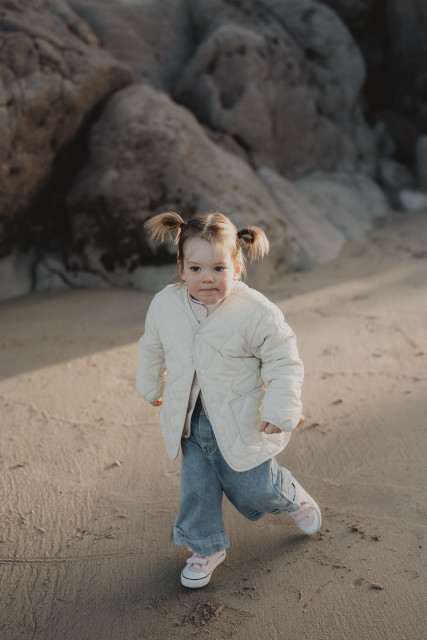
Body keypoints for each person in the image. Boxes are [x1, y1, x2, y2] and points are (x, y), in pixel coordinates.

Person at [136, 211, 321, 589]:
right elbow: (152, 346)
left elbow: (284, 360)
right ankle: (205, 547)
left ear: (236, 267)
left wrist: (280, 407)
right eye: (196, 268)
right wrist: (151, 385)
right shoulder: (165, 305)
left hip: (240, 418)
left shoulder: (255, 311)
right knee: (197, 490)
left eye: (218, 268)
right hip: (190, 420)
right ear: (181, 268)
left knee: (254, 487)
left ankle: (290, 495)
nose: (207, 278)